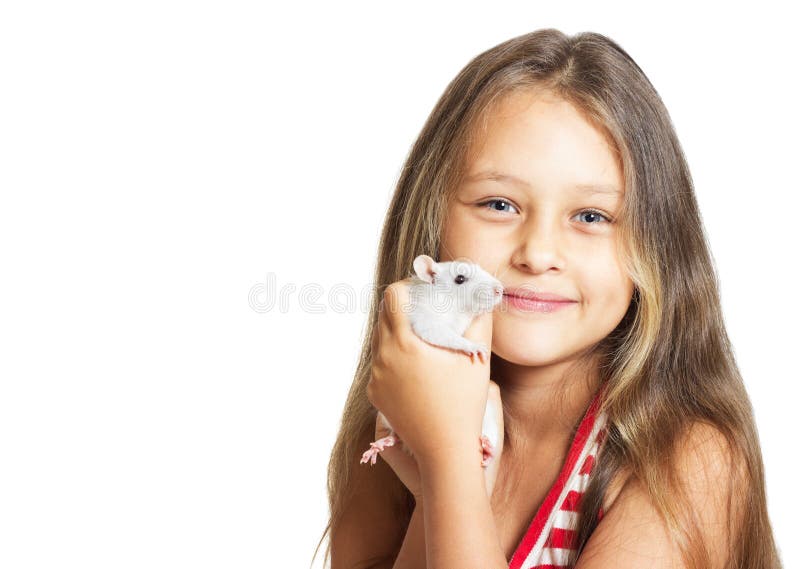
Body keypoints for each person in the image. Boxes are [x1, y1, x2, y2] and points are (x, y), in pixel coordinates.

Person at [315, 28, 782, 568]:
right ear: (432, 223)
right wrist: (440, 464)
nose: (537, 254)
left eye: (590, 217)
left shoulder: (683, 463)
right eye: (498, 204)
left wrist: (449, 467)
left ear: (656, 248)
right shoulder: (390, 430)